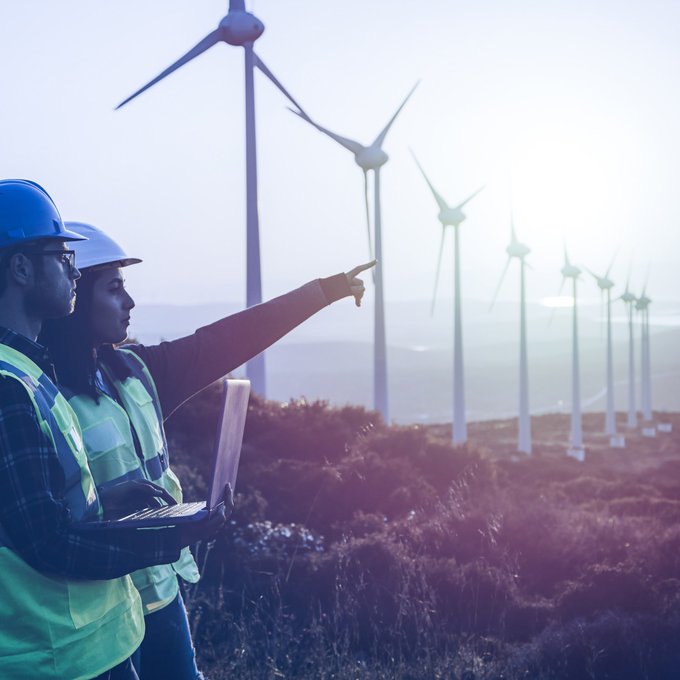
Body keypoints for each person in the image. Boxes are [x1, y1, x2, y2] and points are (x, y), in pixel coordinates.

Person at [38, 220, 375, 680]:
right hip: (100, 610)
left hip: (160, 591)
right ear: (76, 299)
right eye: (114, 288)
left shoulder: (136, 372)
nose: (129, 301)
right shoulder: (39, 396)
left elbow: (227, 339)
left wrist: (323, 291)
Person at [0, 180, 226, 680]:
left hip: (101, 639)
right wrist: (168, 538)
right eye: (61, 256)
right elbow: (46, 542)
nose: (72, 271)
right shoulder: (8, 386)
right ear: (20, 268)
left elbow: (51, 509)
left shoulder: (30, 372)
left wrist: (113, 501)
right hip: (56, 657)